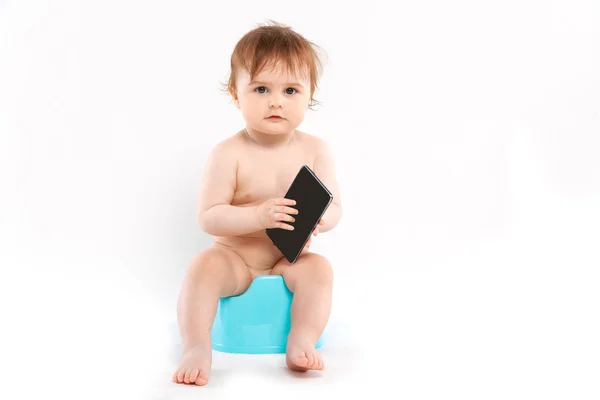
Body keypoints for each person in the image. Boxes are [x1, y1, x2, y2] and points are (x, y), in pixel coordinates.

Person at [172, 21, 343, 386]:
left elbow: (334, 208)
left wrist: (320, 221)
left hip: (289, 260)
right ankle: (196, 344)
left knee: (320, 271)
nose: (276, 101)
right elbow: (209, 216)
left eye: (291, 90)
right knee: (202, 267)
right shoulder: (228, 153)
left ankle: (302, 337)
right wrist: (257, 215)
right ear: (236, 94)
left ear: (310, 94)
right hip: (237, 260)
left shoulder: (316, 150)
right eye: (262, 88)